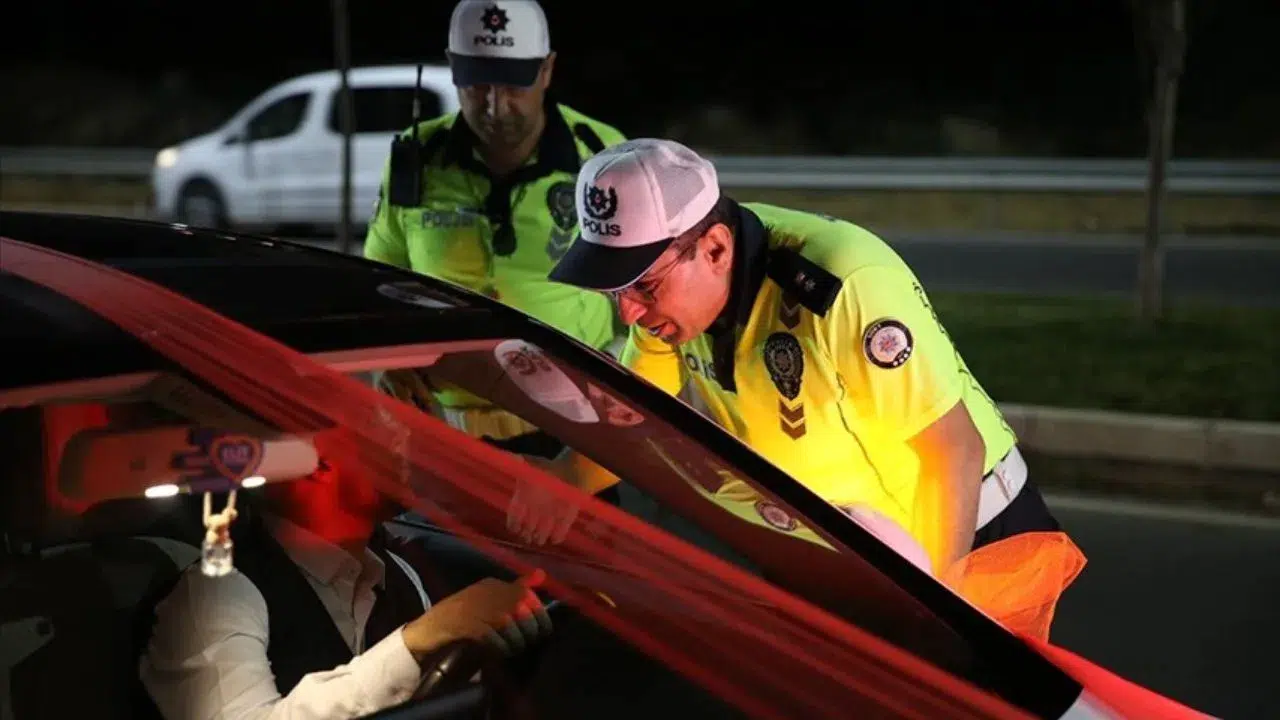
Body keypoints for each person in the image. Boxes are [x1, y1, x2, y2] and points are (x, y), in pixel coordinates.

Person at [522, 138, 1085, 637]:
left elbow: (952, 450)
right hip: (846, 553)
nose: (628, 311)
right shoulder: (679, 295)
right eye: (614, 289)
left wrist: (937, 611)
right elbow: (638, 410)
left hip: (964, 543)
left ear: (716, 249)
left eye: (643, 285)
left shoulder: (840, 283)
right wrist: (566, 476)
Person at [364, 0, 628, 466]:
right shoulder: (414, 157)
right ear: (451, 69)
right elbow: (377, 281)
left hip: (574, 434)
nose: (493, 105)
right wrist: (388, 363)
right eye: (477, 83)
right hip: (439, 436)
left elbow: (646, 303)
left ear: (547, 71)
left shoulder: (603, 157)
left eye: (512, 84)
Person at [139, 445, 552, 720]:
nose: (404, 436)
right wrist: (416, 641)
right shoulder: (216, 593)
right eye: (376, 419)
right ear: (318, 462)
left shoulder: (395, 572)